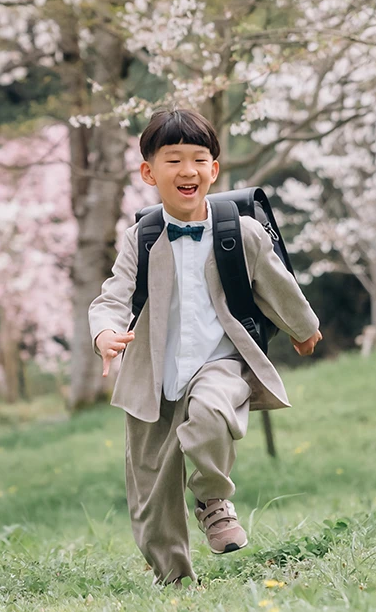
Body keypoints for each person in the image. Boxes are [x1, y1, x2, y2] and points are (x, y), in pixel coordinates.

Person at [88, 109, 321, 586]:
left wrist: (304, 328)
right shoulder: (142, 238)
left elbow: (279, 286)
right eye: (173, 160)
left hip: (218, 361)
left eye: (199, 159)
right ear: (149, 172)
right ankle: (174, 580)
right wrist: (105, 334)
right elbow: (113, 295)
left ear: (215, 169)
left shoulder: (242, 233)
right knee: (151, 497)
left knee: (214, 413)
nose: (188, 170)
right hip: (153, 378)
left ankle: (213, 499)